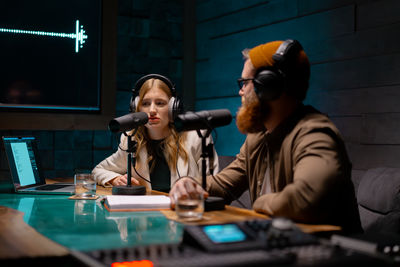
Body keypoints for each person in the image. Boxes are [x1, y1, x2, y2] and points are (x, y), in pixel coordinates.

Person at [169, 40, 362, 233]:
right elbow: (223, 185)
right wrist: (189, 184)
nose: (240, 91)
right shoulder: (258, 137)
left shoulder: (315, 133)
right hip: (282, 248)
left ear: (269, 86)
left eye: (244, 83)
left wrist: (261, 203)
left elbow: (307, 200)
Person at [92, 74, 219, 193]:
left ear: (173, 108)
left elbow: (214, 183)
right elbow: (98, 170)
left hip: (183, 210)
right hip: (146, 213)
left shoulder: (196, 136)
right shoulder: (131, 138)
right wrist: (115, 179)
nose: (152, 110)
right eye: (145, 104)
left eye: (160, 103)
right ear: (137, 108)